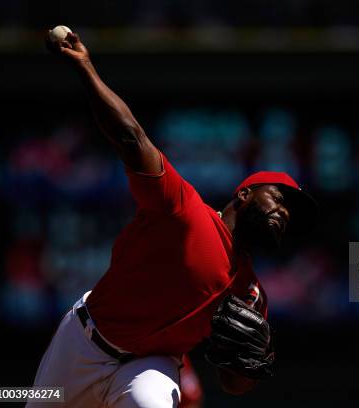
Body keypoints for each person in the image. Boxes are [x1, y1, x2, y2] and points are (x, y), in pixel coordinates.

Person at [27, 31, 317, 408]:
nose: (284, 212)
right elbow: (131, 138)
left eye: (291, 212)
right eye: (279, 198)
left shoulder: (251, 293)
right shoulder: (184, 210)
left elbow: (234, 384)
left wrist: (253, 365)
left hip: (149, 367)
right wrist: (85, 66)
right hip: (83, 344)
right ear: (243, 194)